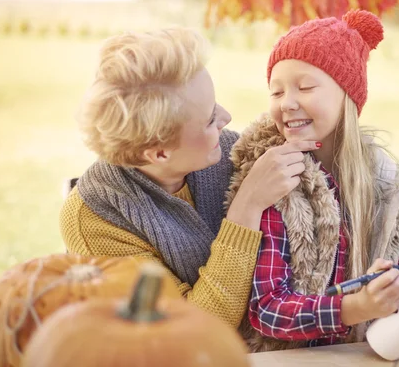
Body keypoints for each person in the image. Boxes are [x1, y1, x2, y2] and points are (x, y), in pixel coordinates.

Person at [224, 9, 399, 352]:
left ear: (347, 96)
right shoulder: (278, 180)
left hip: (359, 356)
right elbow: (266, 309)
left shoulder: (384, 184)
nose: (287, 103)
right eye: (276, 92)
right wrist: (352, 309)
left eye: (305, 86)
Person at [59, 27, 320, 329]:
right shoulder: (95, 220)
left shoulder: (226, 151)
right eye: (210, 118)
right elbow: (188, 329)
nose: (226, 117)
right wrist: (246, 207)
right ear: (159, 153)